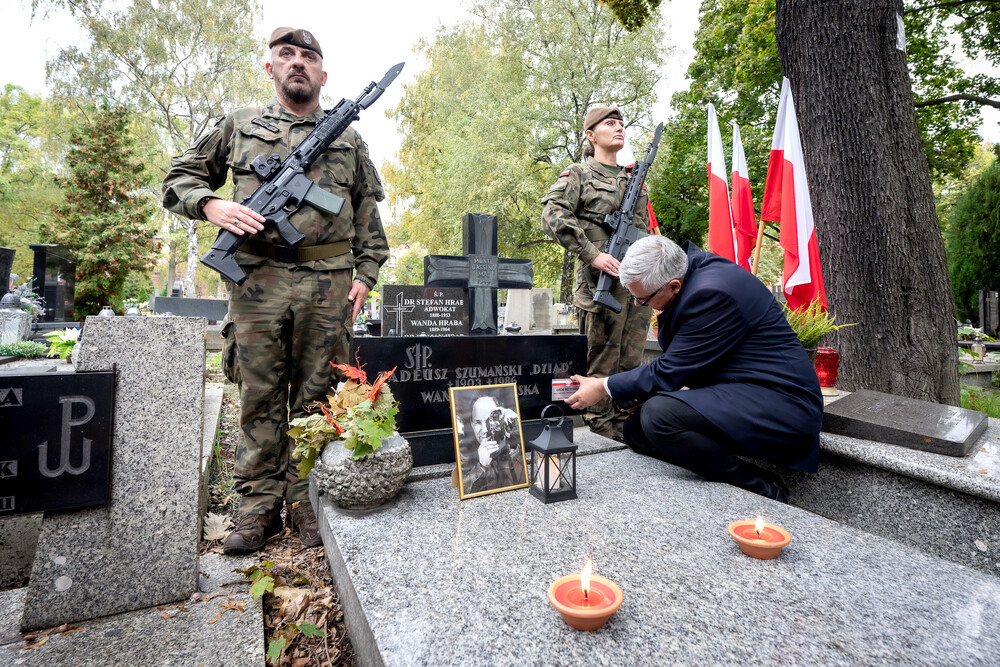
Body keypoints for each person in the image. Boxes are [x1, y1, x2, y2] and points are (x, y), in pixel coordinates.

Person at [162, 27, 389, 552]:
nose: (298, 63)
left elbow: (367, 218)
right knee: (260, 394)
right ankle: (257, 506)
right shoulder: (240, 125)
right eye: (286, 55)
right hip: (257, 278)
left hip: (328, 282)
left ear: (322, 74)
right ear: (270, 69)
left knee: (321, 395)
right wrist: (210, 206)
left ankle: (305, 500)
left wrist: (366, 275)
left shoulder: (349, 139)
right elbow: (179, 177)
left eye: (308, 57)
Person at [564, 235, 823, 502]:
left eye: (642, 300)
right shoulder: (690, 275)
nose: (641, 305)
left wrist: (602, 386)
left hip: (782, 406)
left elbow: (671, 369)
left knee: (658, 415)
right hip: (740, 392)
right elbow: (690, 362)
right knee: (637, 431)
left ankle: (762, 489)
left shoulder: (712, 292)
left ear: (673, 285)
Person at [541, 106, 652, 441]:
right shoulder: (579, 174)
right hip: (598, 286)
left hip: (635, 289)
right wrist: (593, 255)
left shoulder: (634, 181)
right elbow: (553, 215)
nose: (619, 128)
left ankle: (626, 431)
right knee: (599, 362)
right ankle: (600, 437)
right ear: (590, 135)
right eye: (610, 123)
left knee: (631, 363)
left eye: (621, 124)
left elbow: (643, 232)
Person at [460, 395, 526, 495]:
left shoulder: (514, 448)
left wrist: (514, 425)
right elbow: (464, 492)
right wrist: (481, 467)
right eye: (478, 422)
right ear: (471, 424)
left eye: (489, 421)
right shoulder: (464, 455)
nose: (484, 430)